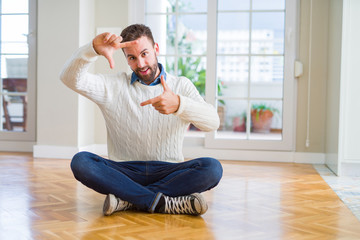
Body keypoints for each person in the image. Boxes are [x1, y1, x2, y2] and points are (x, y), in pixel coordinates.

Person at [60, 24, 223, 216]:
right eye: (132, 58)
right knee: (81, 162)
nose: (141, 64)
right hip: (123, 171)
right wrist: (91, 50)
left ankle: (128, 200)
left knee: (212, 168)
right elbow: (69, 78)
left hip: (169, 171)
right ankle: (163, 202)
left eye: (145, 54)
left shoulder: (181, 85)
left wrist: (180, 104)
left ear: (156, 49)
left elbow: (212, 123)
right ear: (126, 59)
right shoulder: (112, 86)